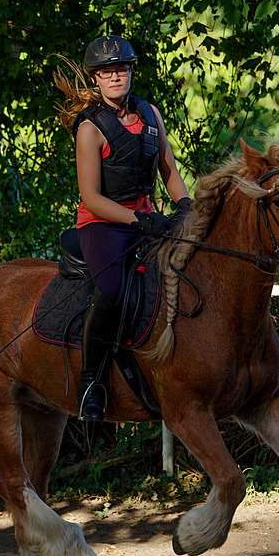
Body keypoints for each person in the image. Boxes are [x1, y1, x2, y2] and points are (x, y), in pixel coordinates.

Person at [54, 35, 193, 424]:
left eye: (121, 69)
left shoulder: (150, 113)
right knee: (113, 291)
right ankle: (91, 384)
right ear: (95, 79)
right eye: (106, 72)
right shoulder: (89, 128)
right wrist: (139, 219)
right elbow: (92, 197)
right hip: (103, 225)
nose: (115, 76)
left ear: (131, 71)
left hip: (149, 220)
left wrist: (184, 205)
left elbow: (168, 168)